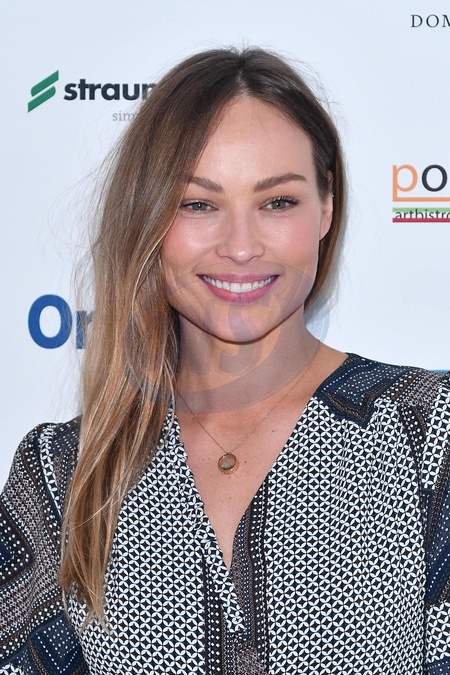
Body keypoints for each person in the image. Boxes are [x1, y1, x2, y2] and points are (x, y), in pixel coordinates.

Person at [1, 46, 450, 675]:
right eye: (198, 204)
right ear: (148, 220)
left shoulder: (429, 430)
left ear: (326, 207)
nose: (241, 247)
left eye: (278, 202)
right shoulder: (63, 473)